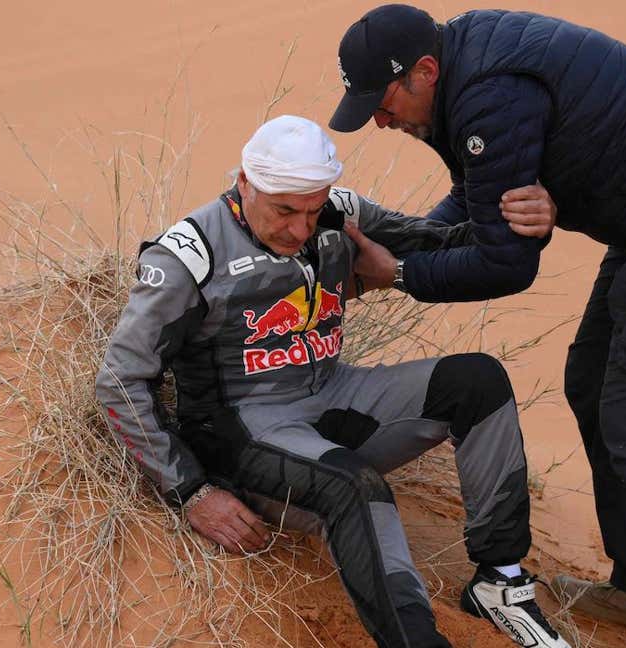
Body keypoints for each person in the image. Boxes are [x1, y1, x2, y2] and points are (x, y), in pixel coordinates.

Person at [329, 5, 626, 648]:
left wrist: (397, 271)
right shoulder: (456, 69)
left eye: (383, 99)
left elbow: (506, 263)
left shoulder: (486, 96)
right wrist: (430, 238)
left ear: (424, 71)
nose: (378, 117)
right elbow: (480, 199)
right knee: (594, 383)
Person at [95, 115, 570, 648]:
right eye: (284, 210)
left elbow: (435, 240)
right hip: (245, 432)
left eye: (312, 210)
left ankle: (499, 581)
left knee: (477, 381)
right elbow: (120, 381)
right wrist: (191, 491)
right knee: (355, 486)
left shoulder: (339, 213)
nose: (301, 229)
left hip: (332, 395)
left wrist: (521, 222)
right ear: (246, 182)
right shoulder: (189, 257)